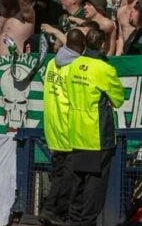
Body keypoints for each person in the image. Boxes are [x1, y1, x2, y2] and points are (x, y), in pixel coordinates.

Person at [63, 28, 124, 226]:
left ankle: (74, 221)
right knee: (95, 184)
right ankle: (86, 223)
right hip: (97, 133)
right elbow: (118, 99)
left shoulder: (73, 65)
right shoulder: (104, 69)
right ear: (102, 45)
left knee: (78, 180)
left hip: (75, 131)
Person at [39, 28, 84, 226]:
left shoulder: (51, 63)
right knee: (68, 173)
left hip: (52, 124)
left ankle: (54, 210)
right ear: (82, 47)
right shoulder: (75, 67)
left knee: (59, 171)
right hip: (68, 125)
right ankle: (52, 209)